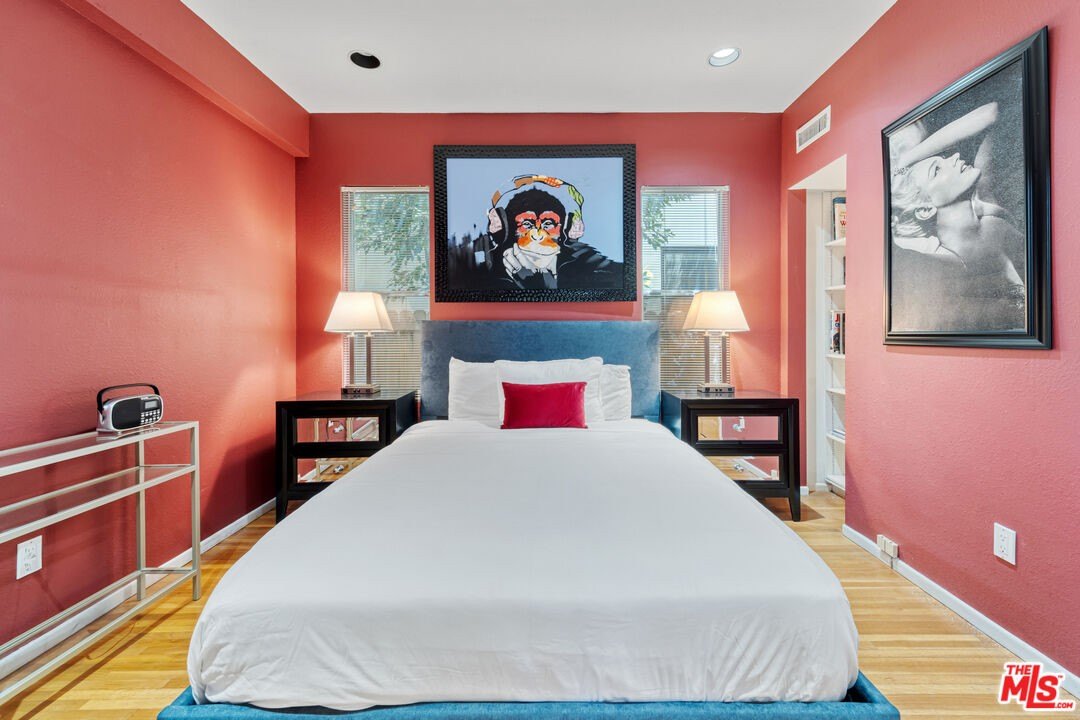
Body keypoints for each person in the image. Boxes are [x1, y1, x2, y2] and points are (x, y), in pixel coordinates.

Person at [889, 101, 1026, 331]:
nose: (953, 158)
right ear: (924, 209)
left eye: (943, 159)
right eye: (937, 170)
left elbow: (992, 113)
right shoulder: (942, 269)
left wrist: (907, 159)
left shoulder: (991, 215)